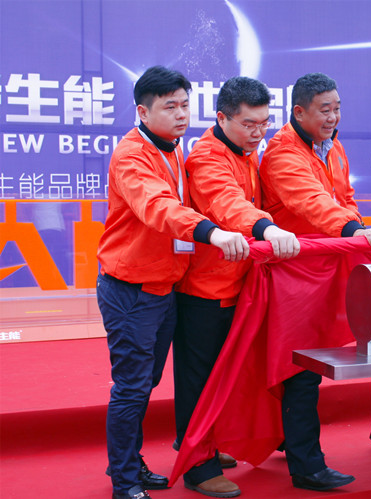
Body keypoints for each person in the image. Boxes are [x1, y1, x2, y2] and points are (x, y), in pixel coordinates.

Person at [96, 66, 249, 499]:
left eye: (184, 105)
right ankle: (125, 481)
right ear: (143, 112)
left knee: (145, 384)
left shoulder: (177, 149)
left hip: (166, 288)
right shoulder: (132, 156)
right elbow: (158, 206)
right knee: (132, 387)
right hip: (131, 289)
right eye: (169, 107)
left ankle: (128, 463)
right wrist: (212, 233)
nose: (181, 114)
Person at [259, 72, 371, 491]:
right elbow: (311, 202)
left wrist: (356, 226)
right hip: (293, 276)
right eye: (324, 110)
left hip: (327, 268)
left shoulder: (333, 146)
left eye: (337, 108)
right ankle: (307, 466)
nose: (333, 117)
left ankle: (289, 442)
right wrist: (355, 231)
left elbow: (343, 198)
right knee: (299, 368)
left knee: (310, 365)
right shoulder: (282, 152)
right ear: (299, 112)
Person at [173, 77, 300, 497]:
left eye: (264, 123)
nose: (258, 132)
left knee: (228, 379)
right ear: (222, 118)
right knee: (199, 382)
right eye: (249, 124)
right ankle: (198, 467)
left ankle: (209, 443)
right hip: (203, 291)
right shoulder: (207, 157)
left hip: (240, 285)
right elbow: (227, 204)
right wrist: (267, 228)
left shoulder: (246, 152)